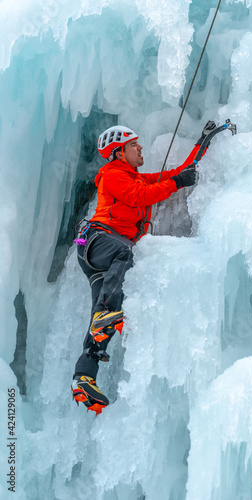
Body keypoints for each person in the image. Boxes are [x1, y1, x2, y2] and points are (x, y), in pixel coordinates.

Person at [71, 122, 216, 414]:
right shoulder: (113, 174)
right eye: (134, 145)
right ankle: (105, 314)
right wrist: (176, 183)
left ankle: (84, 376)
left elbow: (174, 175)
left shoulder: (136, 178)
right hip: (97, 240)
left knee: (102, 317)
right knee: (124, 256)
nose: (140, 148)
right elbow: (141, 197)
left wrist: (203, 142)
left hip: (100, 254)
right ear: (119, 153)